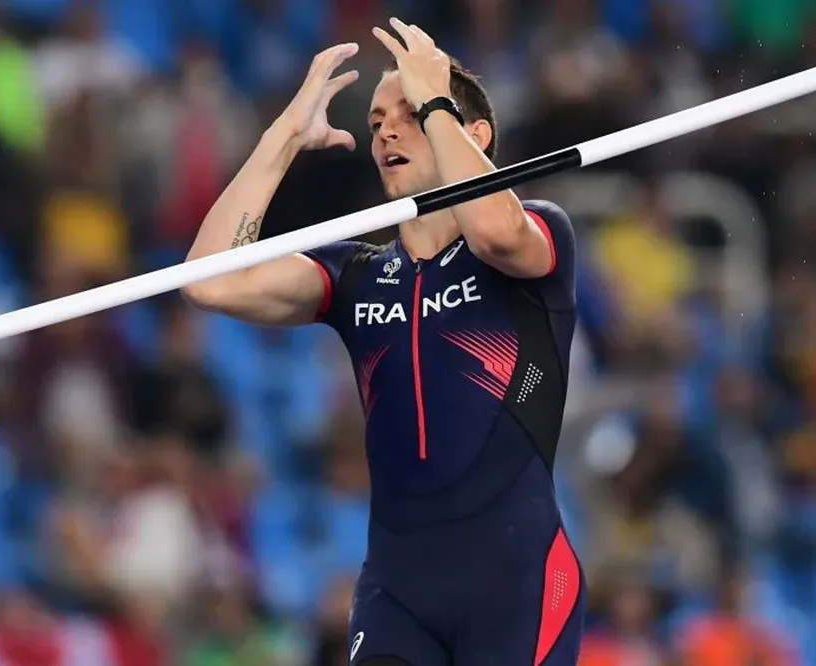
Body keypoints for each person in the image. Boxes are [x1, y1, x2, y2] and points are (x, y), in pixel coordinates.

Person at [183, 17, 584, 666]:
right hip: (397, 593)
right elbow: (210, 281)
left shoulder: (537, 234)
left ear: (471, 133)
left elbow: (491, 232)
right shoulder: (357, 276)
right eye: (375, 122)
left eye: (409, 112)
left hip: (518, 582)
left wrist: (437, 101)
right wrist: (283, 138)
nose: (387, 130)